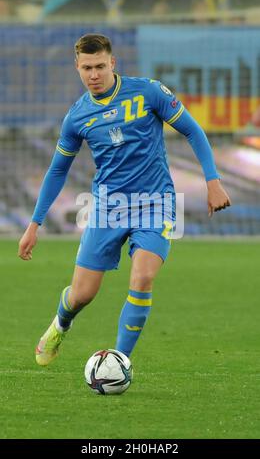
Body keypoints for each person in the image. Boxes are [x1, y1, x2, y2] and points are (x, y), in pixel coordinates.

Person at [18, 33, 231, 367]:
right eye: (87, 67)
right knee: (82, 294)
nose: (94, 74)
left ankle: (118, 361)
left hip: (155, 202)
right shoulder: (77, 117)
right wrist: (34, 224)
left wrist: (213, 181)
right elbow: (57, 171)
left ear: (112, 63)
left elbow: (193, 130)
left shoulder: (148, 92)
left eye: (100, 66)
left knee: (143, 277)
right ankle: (61, 323)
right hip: (107, 208)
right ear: (77, 67)